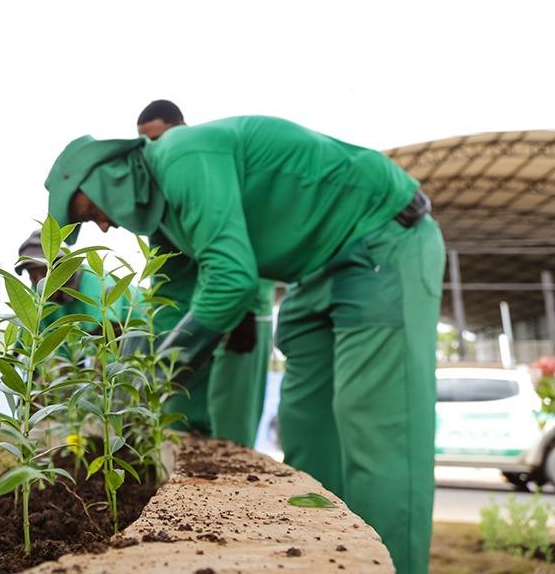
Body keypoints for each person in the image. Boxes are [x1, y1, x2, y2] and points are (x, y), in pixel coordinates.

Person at [44, 115, 445, 574]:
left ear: (106, 173)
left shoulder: (181, 156)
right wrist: (126, 390)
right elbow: (169, 305)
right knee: (306, 432)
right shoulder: (167, 221)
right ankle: (325, 563)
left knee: (377, 431)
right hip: (313, 271)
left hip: (382, 239)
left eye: (86, 210)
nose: (99, 227)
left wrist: (157, 377)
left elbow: (232, 280)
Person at [135, 99, 274, 449]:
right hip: (192, 320)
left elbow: (243, 246)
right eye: (146, 143)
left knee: (230, 431)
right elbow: (168, 271)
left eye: (158, 137)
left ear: (180, 127)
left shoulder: (203, 166)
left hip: (240, 314)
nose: (154, 149)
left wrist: (249, 307)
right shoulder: (162, 194)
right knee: (181, 420)